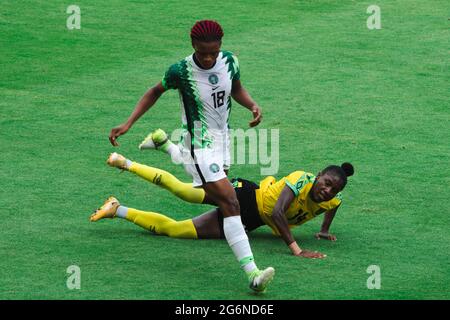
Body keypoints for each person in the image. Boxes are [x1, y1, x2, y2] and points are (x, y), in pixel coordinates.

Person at [107, 20, 272, 292]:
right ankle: (253, 274)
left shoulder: (230, 61)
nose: (208, 57)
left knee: (213, 196)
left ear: (220, 46)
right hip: (198, 142)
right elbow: (154, 92)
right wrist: (128, 123)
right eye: (202, 52)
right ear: (192, 44)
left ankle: (164, 145)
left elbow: (236, 88)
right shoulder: (181, 71)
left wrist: (252, 104)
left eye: (213, 52)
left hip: (223, 140)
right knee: (231, 202)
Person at [91, 153, 354, 260]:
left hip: (250, 221)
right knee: (185, 192)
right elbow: (276, 212)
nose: (327, 189)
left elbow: (333, 205)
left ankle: (117, 209)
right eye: (326, 182)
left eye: (334, 188)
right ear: (318, 175)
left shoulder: (333, 198)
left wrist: (323, 229)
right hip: (245, 196)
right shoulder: (301, 180)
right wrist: (297, 250)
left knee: (175, 231)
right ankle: (126, 163)